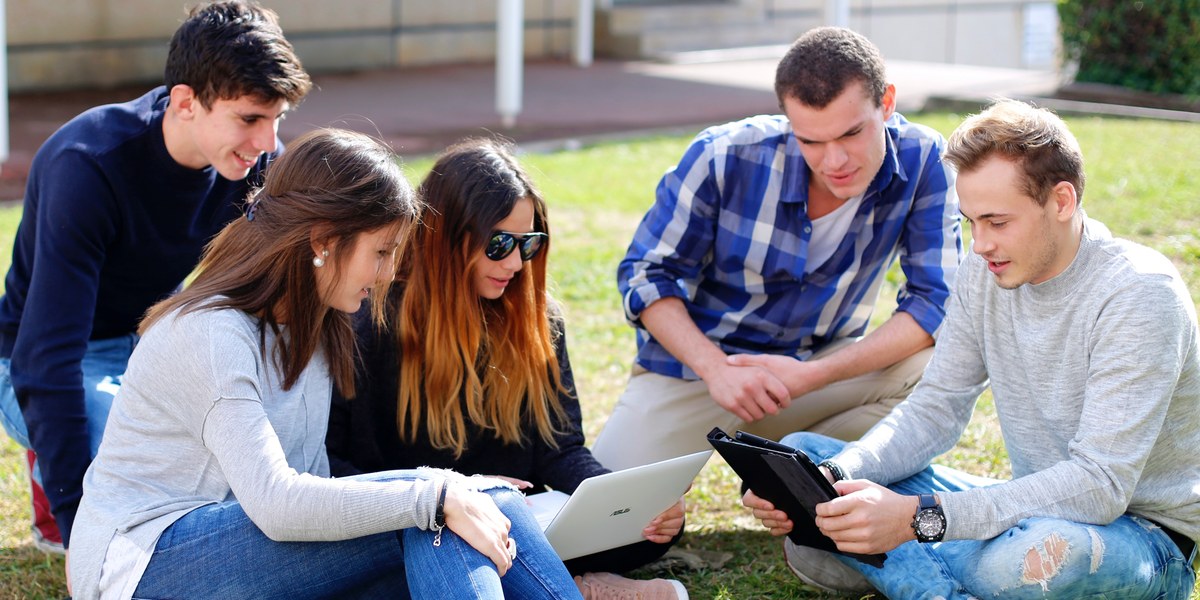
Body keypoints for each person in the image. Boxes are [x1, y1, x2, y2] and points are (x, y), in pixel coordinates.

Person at [68, 128, 582, 600]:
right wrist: (437, 492)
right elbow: (278, 504)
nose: (386, 276)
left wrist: (451, 493)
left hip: (258, 556)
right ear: (323, 241)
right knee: (443, 510)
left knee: (488, 504)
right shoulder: (210, 335)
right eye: (381, 253)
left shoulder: (318, 327)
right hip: (142, 567)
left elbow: (320, 490)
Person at [743, 99, 1200, 599]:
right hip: (1029, 512)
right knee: (806, 461)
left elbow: (1100, 484)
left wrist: (920, 520)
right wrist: (838, 477)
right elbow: (935, 407)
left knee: (1040, 559)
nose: (980, 245)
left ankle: (918, 577)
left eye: (998, 222)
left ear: (1062, 201)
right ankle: (939, 570)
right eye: (970, 222)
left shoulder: (1139, 293)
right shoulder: (984, 274)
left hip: (1138, 538)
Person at [0, 0, 311, 556]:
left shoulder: (254, 161)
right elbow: (46, 359)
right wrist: (81, 531)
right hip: (40, 354)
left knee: (231, 445)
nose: (268, 144)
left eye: (276, 120)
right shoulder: (87, 165)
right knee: (135, 448)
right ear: (186, 102)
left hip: (152, 336)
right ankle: (57, 482)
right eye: (249, 119)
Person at [327, 138, 690, 600]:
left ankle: (572, 581)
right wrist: (442, 499)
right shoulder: (370, 321)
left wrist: (629, 501)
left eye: (529, 244)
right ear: (444, 237)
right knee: (429, 553)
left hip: (525, 521)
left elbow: (560, 450)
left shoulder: (537, 318)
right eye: (499, 244)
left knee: (645, 532)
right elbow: (338, 468)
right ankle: (583, 590)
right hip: (417, 524)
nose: (517, 264)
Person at [591, 26, 962, 471]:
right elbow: (646, 275)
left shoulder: (925, 160)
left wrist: (813, 375)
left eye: (850, 134)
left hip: (820, 369)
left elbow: (934, 300)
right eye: (811, 141)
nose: (834, 162)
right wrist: (716, 369)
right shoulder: (722, 156)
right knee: (608, 525)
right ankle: (775, 466)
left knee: (936, 364)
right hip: (703, 371)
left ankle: (797, 473)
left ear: (886, 103)